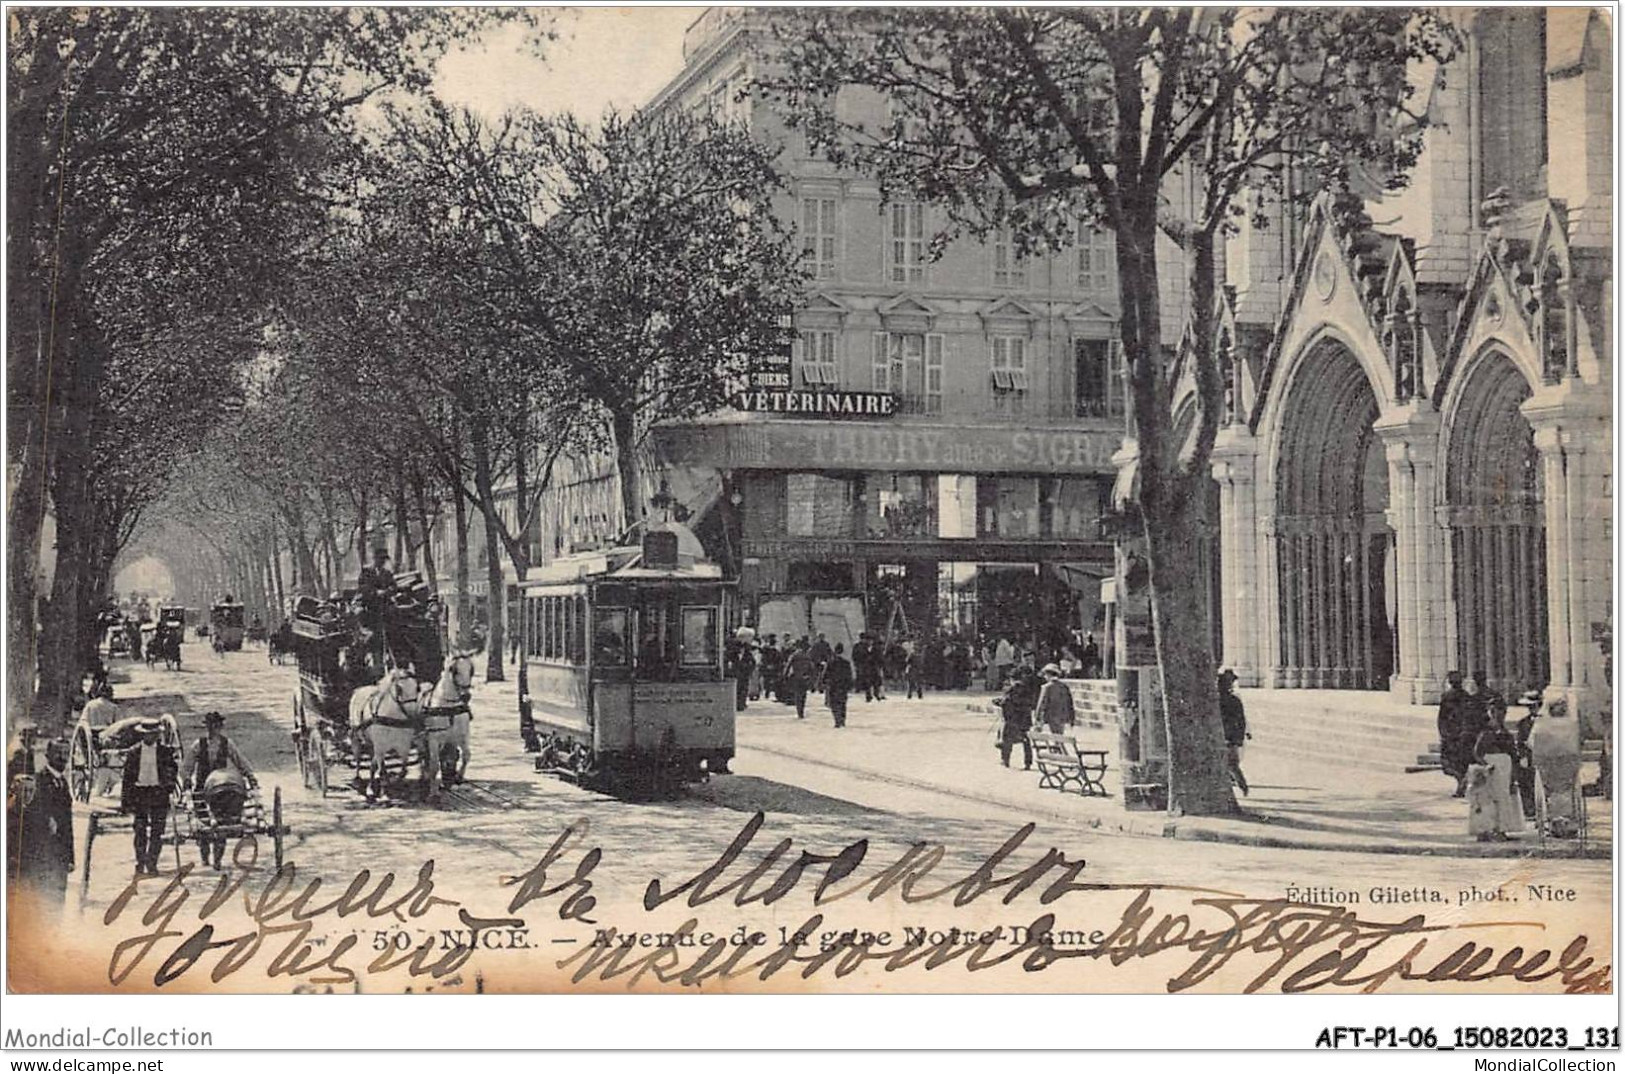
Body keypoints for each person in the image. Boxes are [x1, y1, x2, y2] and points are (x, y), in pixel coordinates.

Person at [7, 737, 74, 912]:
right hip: (43, 858)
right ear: (47, 755)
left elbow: (68, 825)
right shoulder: (38, 782)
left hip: (60, 858)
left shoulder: (63, 783)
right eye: (58, 752)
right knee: (42, 904)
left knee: (58, 903)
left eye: (66, 753)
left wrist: (70, 857)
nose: (62, 757)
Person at [190, 712, 257, 870]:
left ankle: (217, 859)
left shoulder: (227, 744)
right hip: (202, 786)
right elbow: (188, 765)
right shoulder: (198, 745)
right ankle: (205, 855)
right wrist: (186, 778)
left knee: (222, 824)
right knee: (203, 824)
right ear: (206, 727)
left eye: (217, 726)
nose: (214, 729)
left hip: (222, 786)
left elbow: (240, 760)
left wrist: (250, 775)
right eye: (211, 726)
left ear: (220, 727)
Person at [121, 720, 179, 876]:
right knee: (140, 831)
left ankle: (152, 863)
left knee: (157, 832)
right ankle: (140, 862)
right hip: (140, 794)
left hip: (158, 794)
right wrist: (125, 802)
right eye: (148, 734)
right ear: (143, 735)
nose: (151, 737)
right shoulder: (134, 752)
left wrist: (169, 784)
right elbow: (127, 778)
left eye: (154, 734)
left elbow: (173, 769)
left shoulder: (165, 752)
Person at [1467, 698, 1525, 842]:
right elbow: (1477, 752)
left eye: (1500, 711)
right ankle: (1486, 829)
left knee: (1503, 799)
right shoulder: (1486, 731)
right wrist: (1485, 766)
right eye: (1493, 711)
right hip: (1491, 768)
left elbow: (1513, 753)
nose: (1497, 714)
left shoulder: (1505, 732)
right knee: (1487, 800)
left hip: (1505, 768)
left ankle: (1500, 828)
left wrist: (1513, 774)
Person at [1529, 698, 1582, 838]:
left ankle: (1564, 824)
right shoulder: (1569, 724)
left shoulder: (1543, 725)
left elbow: (1533, 743)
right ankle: (1556, 823)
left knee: (1562, 793)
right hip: (1552, 764)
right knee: (1556, 793)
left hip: (1561, 763)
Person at [1436, 670, 1475, 797]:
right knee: (1461, 762)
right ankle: (1461, 783)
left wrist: (1443, 732)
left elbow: (1442, 717)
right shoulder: (1466, 696)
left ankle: (1460, 783)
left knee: (1450, 762)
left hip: (1452, 734)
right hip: (1462, 733)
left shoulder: (1447, 696)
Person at [995, 665, 1039, 769]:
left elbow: (1006, 702)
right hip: (1025, 719)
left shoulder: (1011, 689)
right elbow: (1031, 703)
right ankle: (1028, 762)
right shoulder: (1027, 689)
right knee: (1026, 741)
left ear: (1012, 679)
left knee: (1007, 740)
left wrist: (998, 702)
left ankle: (1005, 760)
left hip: (1012, 719)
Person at [1218, 669, 1250, 796]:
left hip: (1228, 737)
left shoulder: (1232, 700)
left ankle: (1242, 786)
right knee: (1230, 764)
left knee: (1232, 764)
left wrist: (1238, 738)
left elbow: (1240, 720)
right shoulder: (1221, 699)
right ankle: (1240, 785)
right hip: (1226, 736)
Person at [1034, 663, 1076, 733]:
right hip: (1062, 716)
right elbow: (1070, 703)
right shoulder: (1064, 687)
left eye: (1045, 674)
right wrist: (1072, 717)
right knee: (1059, 734)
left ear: (1048, 675)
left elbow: (1041, 704)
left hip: (1050, 717)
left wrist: (1037, 718)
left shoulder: (1046, 687)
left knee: (1053, 735)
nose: (1045, 677)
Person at [824, 643, 853, 728]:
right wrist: (850, 685)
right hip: (843, 686)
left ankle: (837, 720)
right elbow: (849, 675)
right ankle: (842, 720)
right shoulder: (846, 663)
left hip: (833, 685)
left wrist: (823, 682)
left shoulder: (831, 662)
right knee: (842, 703)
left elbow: (825, 674)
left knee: (834, 703)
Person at [782, 641, 813, 719]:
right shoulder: (807, 656)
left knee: (798, 694)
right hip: (805, 677)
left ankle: (799, 711)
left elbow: (788, 665)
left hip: (796, 676)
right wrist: (811, 677)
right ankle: (801, 710)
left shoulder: (794, 655)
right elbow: (811, 667)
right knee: (803, 695)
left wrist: (785, 675)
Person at [759, 636, 782, 703]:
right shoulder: (776, 650)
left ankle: (767, 693)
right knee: (774, 680)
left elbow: (763, 658)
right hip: (774, 667)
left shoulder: (766, 649)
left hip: (767, 667)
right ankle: (774, 693)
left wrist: (766, 665)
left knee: (767, 680)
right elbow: (779, 659)